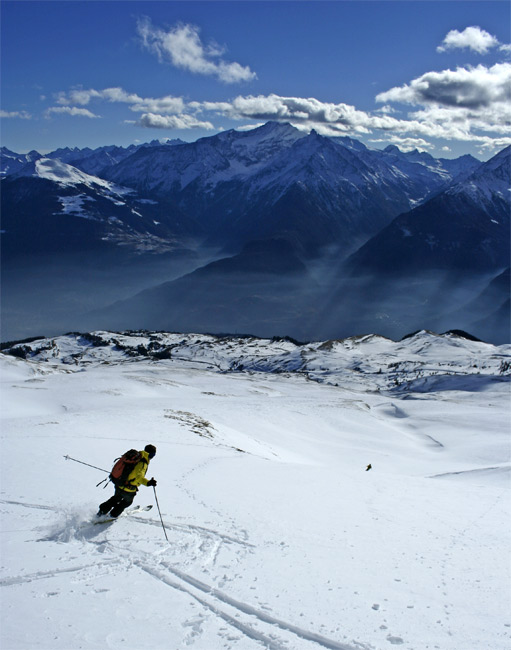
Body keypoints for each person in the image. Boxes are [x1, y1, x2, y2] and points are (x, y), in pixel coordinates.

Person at [97, 444, 157, 518]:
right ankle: (113, 515)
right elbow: (138, 477)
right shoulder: (143, 462)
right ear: (151, 454)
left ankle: (102, 511)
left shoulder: (136, 457)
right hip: (128, 487)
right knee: (127, 502)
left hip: (119, 483)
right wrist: (148, 483)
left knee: (116, 498)